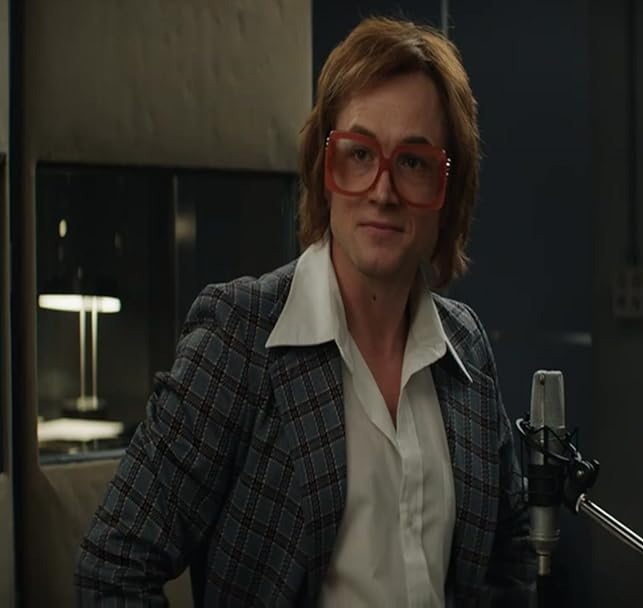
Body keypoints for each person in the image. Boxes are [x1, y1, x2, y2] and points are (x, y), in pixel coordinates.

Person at [76, 16, 534, 606]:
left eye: (413, 162)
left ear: (450, 189)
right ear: (324, 169)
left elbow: (508, 552)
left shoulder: (465, 345)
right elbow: (113, 567)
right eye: (359, 154)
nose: (383, 191)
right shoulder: (239, 336)